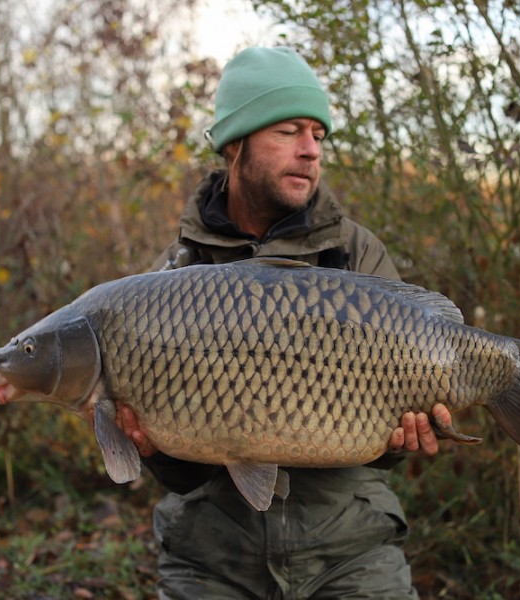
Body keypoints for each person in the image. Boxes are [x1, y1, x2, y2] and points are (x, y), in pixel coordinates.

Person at [115, 46, 455, 599]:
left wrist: (403, 438)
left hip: (348, 548)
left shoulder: (357, 254)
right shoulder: (171, 281)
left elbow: (385, 440)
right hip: (213, 553)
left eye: (318, 136)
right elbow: (181, 477)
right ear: (235, 143)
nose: (310, 151)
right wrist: (152, 447)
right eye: (289, 131)